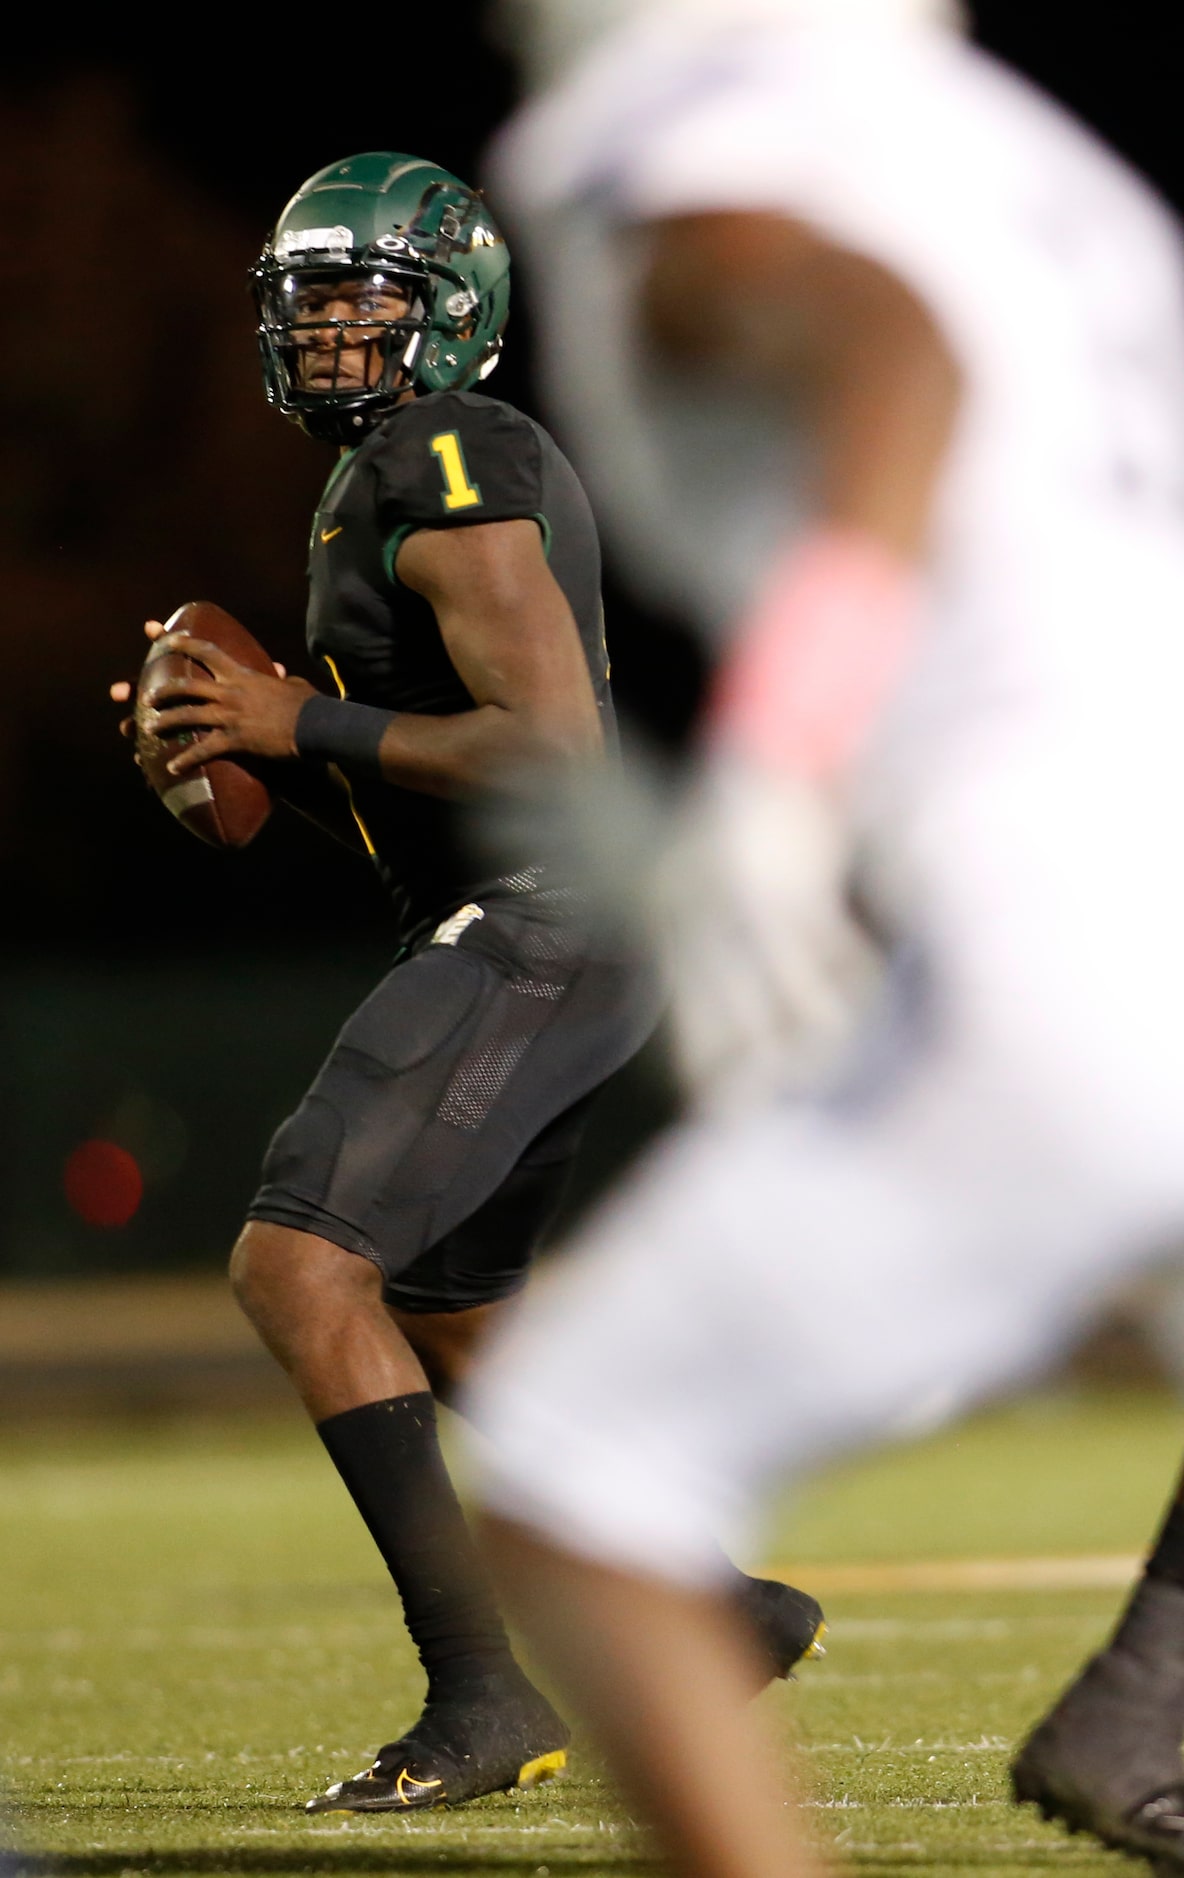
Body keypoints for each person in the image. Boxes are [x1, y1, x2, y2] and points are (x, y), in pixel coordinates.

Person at [457, 3, 1184, 1873]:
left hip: (1089, 936)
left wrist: (783, 760)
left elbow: (894, 353)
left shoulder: (711, 121)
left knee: (580, 1467)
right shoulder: (1015, 147)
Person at [110, 150, 824, 1819]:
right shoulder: (385, 469)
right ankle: (719, 1607)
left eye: (366, 296)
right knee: (446, 1312)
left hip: (556, 908)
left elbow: (551, 750)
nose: (332, 329)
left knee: (300, 1269)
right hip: (550, 916)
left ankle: (483, 1692)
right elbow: (414, 773)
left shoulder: (448, 450)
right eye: (310, 300)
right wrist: (255, 741)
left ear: (452, 313)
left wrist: (301, 720)